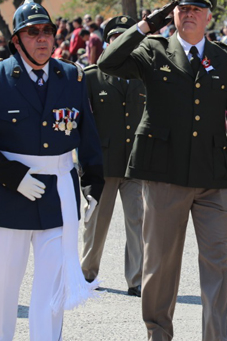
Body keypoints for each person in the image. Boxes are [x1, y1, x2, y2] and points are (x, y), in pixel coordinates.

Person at [97, 0, 227, 341]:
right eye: (182, 8)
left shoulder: (225, 58)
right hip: (163, 173)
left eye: (197, 9)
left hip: (214, 178)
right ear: (173, 14)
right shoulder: (153, 49)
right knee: (161, 265)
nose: (189, 14)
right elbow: (108, 61)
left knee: (216, 264)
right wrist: (146, 25)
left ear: (209, 16)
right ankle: (158, 333)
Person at [0, 0, 104, 339]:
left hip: (57, 195)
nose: (42, 39)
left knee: (52, 293)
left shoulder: (71, 76)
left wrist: (93, 185)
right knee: (2, 291)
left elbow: (87, 133)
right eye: (32, 32)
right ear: (16, 40)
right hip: (8, 196)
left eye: (47, 32)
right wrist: (12, 175)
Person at [80, 15, 146, 298]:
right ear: (106, 43)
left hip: (136, 163)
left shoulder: (144, 75)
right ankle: (86, 275)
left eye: (124, 37)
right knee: (96, 223)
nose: (118, 42)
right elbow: (81, 122)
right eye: (113, 38)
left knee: (139, 224)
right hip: (103, 163)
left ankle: (138, 280)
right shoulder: (92, 76)